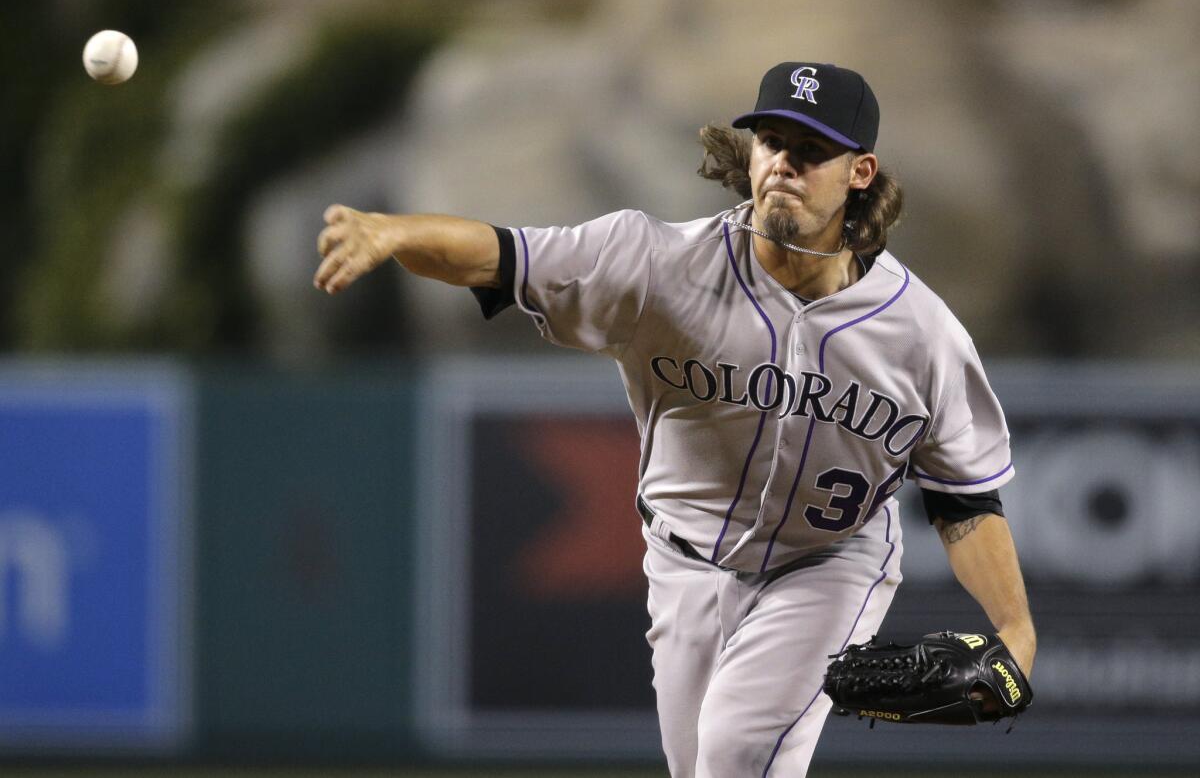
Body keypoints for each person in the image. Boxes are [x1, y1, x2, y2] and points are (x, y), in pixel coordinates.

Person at [313, 61, 1036, 777]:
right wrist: (397, 233)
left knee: (734, 753)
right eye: (771, 141)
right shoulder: (659, 264)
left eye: (811, 150)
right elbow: (503, 257)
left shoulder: (923, 334)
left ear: (860, 172)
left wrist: (1016, 632)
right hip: (682, 563)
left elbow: (963, 497)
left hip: (828, 566)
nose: (784, 163)